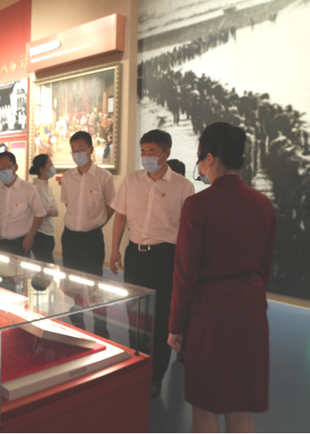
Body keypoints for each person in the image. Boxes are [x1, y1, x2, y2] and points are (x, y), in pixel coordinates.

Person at [167, 122, 277, 433]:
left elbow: (186, 273)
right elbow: (264, 267)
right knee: (240, 409)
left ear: (210, 158)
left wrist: (175, 325)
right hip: (251, 312)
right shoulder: (263, 204)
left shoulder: (197, 205)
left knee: (205, 409)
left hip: (209, 316)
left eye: (200, 158)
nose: (200, 166)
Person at [110, 130, 195, 397]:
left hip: (165, 257)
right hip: (136, 255)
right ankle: (137, 366)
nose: (146, 157)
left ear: (166, 153)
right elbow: (120, 216)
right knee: (134, 314)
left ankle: (156, 375)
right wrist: (114, 249)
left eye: (152, 152)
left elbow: (187, 229)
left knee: (161, 317)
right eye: (143, 152)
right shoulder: (131, 181)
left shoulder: (183, 186)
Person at [60, 131, 116, 339]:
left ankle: (100, 329)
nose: (77, 154)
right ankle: (77, 324)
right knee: (72, 284)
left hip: (92, 239)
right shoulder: (68, 177)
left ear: (91, 150)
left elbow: (111, 205)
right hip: (69, 238)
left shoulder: (104, 177)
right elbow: (68, 204)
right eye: (74, 150)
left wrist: (97, 222)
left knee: (95, 285)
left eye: (81, 149)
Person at [0, 151, 45, 256]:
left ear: (15, 167)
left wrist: (31, 235)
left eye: (5, 167)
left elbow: (39, 215)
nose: (1, 172)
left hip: (20, 243)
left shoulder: (29, 189)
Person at [29, 154, 59, 264]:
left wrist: (50, 210)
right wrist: (50, 210)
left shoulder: (48, 187)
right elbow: (43, 211)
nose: (53, 166)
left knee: (46, 265)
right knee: (46, 267)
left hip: (49, 232)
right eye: (50, 164)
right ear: (42, 169)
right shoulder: (35, 188)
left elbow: (56, 210)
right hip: (40, 233)